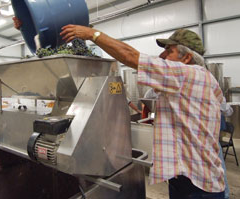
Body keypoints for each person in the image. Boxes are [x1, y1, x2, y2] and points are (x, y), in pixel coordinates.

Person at [60, 25, 225, 198]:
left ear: (187, 58)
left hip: (198, 186)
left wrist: (92, 34)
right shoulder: (207, 79)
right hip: (188, 177)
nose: (162, 55)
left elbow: (131, 57)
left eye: (169, 51)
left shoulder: (187, 75)